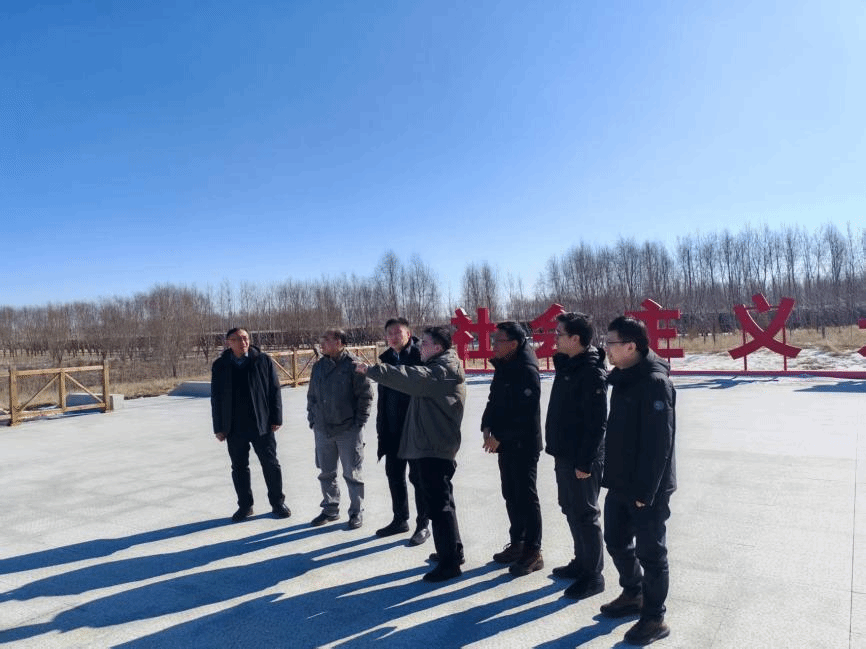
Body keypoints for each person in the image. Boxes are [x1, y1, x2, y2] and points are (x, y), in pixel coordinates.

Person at [355, 326, 466, 583]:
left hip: (434, 447)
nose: (420, 347)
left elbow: (409, 377)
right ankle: (452, 551)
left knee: (439, 507)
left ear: (437, 347)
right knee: (444, 503)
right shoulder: (441, 366)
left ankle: (449, 564)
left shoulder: (441, 371)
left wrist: (373, 370)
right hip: (432, 444)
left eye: (424, 343)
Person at [600, 315, 677, 646]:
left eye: (611, 343)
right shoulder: (623, 377)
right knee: (616, 540)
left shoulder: (654, 383)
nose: (606, 348)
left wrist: (646, 491)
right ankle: (633, 592)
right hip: (621, 480)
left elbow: (660, 444)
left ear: (631, 346)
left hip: (648, 487)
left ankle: (654, 617)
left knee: (651, 553)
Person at [544, 312, 608, 599]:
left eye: (559, 334)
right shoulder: (568, 364)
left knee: (585, 513)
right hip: (565, 452)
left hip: (583, 457)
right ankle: (581, 562)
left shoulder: (591, 371)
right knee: (570, 507)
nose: (555, 338)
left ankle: (593, 576)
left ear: (575, 339)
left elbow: (597, 423)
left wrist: (586, 461)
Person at [480, 321, 543, 577]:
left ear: (514, 344)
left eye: (499, 340)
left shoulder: (526, 369)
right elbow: (494, 399)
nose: (493, 345)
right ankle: (517, 543)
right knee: (511, 494)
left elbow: (526, 413)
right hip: (505, 443)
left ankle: (533, 551)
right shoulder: (505, 364)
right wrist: (487, 425)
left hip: (523, 443)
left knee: (526, 497)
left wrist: (500, 436)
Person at [211, 327, 290, 522]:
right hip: (234, 426)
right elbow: (216, 398)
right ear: (229, 343)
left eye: (245, 338)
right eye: (237, 339)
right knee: (239, 467)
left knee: (271, 464)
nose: (243, 342)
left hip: (261, 424)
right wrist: (219, 427)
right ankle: (245, 506)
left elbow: (274, 390)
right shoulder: (220, 365)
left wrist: (276, 418)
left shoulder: (262, 360)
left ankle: (277, 503)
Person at [307, 328, 374, 530]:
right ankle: (330, 509)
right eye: (321, 339)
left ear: (339, 342)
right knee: (326, 473)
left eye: (326, 339)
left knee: (352, 474)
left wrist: (358, 423)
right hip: (322, 429)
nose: (321, 343)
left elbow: (366, 395)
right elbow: (312, 396)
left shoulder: (354, 365)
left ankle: (356, 512)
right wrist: (313, 419)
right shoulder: (318, 366)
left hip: (348, 429)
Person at [374, 318, 431, 546]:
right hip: (392, 429)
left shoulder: (420, 357)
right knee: (394, 475)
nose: (393, 337)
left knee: (418, 478)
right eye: (389, 333)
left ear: (408, 334)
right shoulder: (387, 359)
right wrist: (381, 427)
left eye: (398, 332)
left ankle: (423, 524)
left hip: (415, 430)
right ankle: (400, 519)